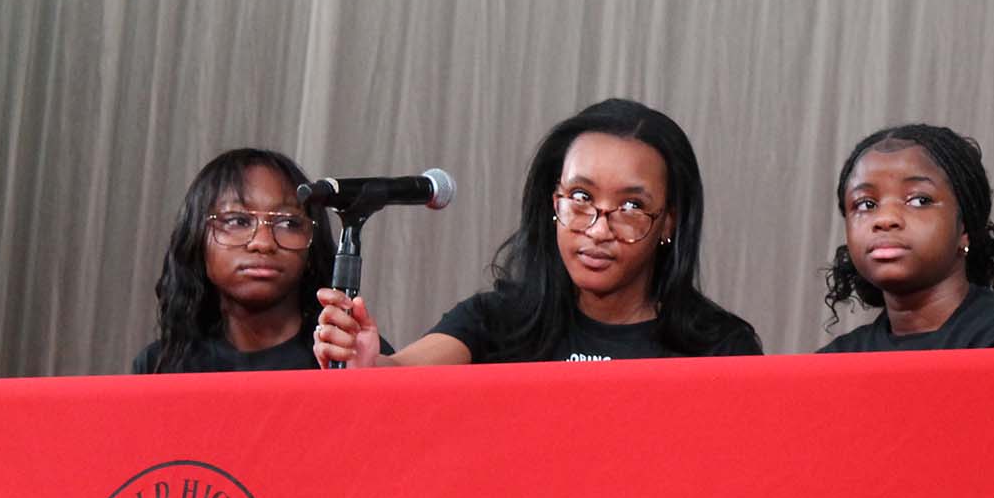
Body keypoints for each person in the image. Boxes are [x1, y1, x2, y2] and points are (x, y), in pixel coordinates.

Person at [314, 99, 760, 365]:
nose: (598, 229)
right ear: (553, 202)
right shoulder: (498, 321)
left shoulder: (718, 345)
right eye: (581, 197)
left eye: (630, 206)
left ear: (669, 221)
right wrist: (369, 363)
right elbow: (403, 372)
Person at [816, 124, 994, 353]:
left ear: (964, 228)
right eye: (866, 204)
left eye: (920, 201)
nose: (885, 219)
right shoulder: (836, 362)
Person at [134, 148, 337, 373]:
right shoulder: (159, 366)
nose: (263, 243)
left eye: (288, 223)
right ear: (196, 240)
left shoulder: (347, 359)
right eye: (237, 221)